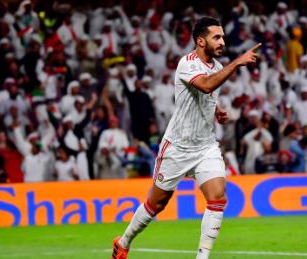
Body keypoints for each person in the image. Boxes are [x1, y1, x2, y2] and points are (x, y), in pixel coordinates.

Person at [112, 17, 261, 259]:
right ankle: (124, 241)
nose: (222, 41)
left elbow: (206, 96)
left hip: (205, 146)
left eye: (222, 36)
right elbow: (204, 86)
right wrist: (236, 63)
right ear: (200, 41)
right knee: (156, 204)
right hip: (177, 147)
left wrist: (216, 111)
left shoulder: (215, 67)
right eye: (217, 37)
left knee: (218, 198)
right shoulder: (187, 64)